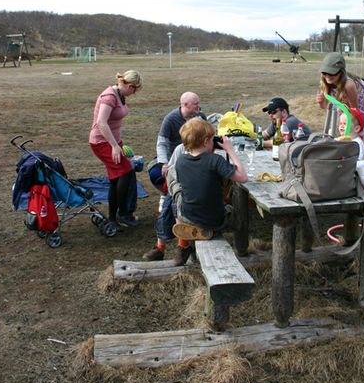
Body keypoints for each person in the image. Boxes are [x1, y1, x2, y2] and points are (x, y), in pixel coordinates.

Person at [167, 117, 248, 265]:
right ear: (206, 141)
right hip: (215, 220)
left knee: (176, 185)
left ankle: (184, 243)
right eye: (211, 139)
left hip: (188, 216)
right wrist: (230, 150)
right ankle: (242, 248)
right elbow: (242, 177)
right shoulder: (215, 160)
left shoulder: (180, 161)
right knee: (236, 213)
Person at [144, 91, 206, 261]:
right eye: (195, 103)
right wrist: (164, 163)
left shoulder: (201, 117)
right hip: (175, 162)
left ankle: (173, 246)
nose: (199, 106)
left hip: (193, 165)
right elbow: (162, 143)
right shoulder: (171, 120)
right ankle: (175, 247)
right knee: (169, 199)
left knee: (171, 203)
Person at [89, 70, 143, 228]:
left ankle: (113, 217)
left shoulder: (120, 95)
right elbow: (101, 123)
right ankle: (123, 214)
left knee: (116, 179)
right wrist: (114, 146)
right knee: (126, 172)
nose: (134, 93)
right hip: (101, 142)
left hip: (113, 142)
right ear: (130, 85)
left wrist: (117, 144)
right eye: (135, 89)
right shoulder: (109, 96)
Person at [316, 52, 364, 133]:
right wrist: (320, 102)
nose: (328, 76)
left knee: (355, 130)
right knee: (343, 128)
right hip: (343, 100)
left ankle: (357, 143)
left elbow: (355, 112)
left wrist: (352, 129)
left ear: (341, 72)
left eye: (332, 73)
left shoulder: (349, 85)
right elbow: (324, 106)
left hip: (362, 103)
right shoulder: (325, 82)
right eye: (325, 72)